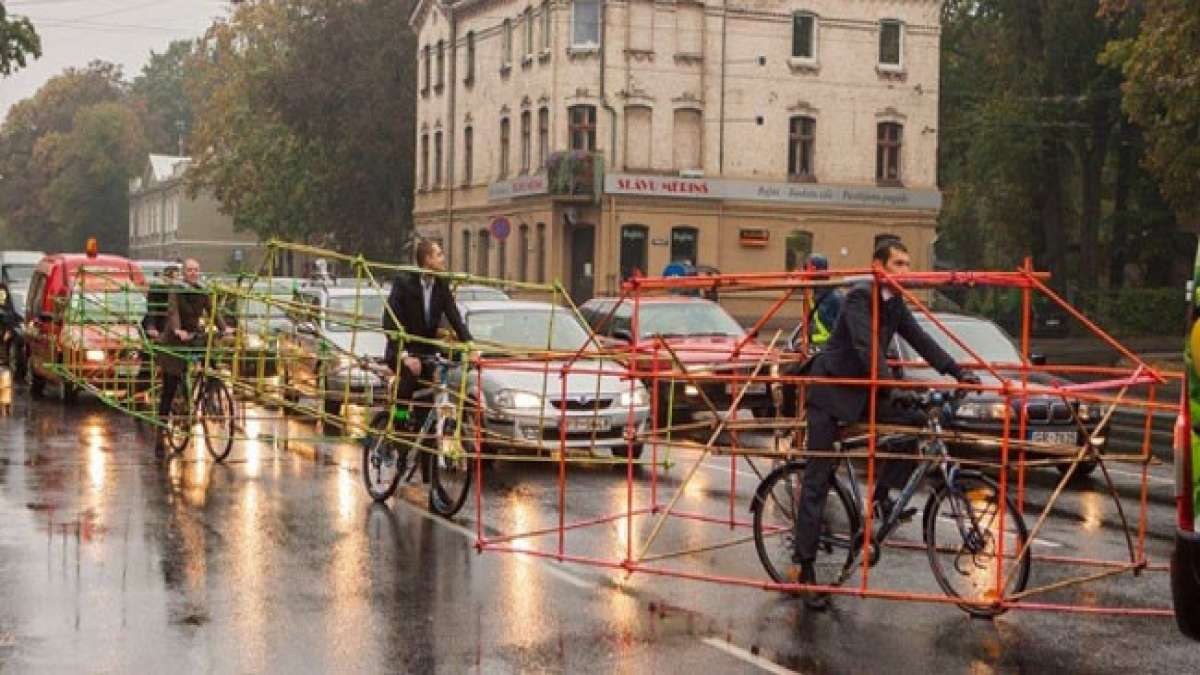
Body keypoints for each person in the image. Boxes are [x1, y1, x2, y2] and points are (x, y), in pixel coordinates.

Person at [791, 240, 979, 610]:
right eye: (898, 263)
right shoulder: (861, 296)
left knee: (915, 423)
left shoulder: (895, 302)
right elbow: (866, 348)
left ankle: (880, 499)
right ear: (878, 265)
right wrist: (892, 388)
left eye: (908, 264)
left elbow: (921, 339)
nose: (906, 271)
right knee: (816, 479)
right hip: (831, 392)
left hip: (864, 391)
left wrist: (957, 372)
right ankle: (805, 567)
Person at [383, 240, 472, 432]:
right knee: (409, 376)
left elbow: (454, 316)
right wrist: (405, 356)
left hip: (426, 352)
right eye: (439, 255)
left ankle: (427, 451)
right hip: (403, 350)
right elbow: (389, 323)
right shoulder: (404, 283)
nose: (443, 259)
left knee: (429, 398)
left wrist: (470, 345)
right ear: (427, 259)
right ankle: (400, 422)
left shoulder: (441, 284)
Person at [154, 258, 229, 457]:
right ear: (184, 273)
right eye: (189, 270)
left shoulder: (202, 290)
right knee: (169, 389)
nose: (193, 273)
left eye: (196, 270)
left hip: (193, 336)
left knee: (210, 348)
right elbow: (173, 312)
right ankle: (160, 436)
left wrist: (224, 328)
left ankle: (210, 386)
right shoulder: (177, 290)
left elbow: (213, 311)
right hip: (174, 340)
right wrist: (177, 329)